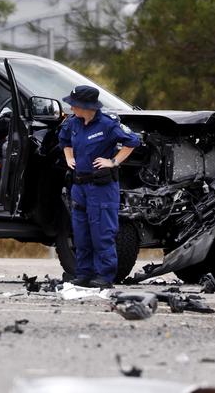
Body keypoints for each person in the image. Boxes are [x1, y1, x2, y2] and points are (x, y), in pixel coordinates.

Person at [58, 85, 140, 288]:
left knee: (102, 234)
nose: (71, 108)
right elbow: (64, 140)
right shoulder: (73, 123)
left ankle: (105, 276)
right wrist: (69, 157)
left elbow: (133, 141)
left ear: (86, 106)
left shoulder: (107, 124)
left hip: (101, 188)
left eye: (74, 104)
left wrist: (113, 162)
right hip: (80, 187)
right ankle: (84, 274)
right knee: (81, 233)